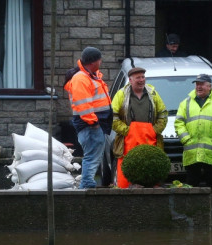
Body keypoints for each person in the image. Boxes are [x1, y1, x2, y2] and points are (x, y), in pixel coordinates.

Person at [174, 74, 212, 204]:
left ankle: (211, 209)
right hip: (192, 153)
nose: (198, 87)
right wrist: (187, 140)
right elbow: (179, 123)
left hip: (211, 153)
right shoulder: (186, 103)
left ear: (210, 86)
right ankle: (193, 210)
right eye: (197, 84)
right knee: (191, 183)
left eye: (202, 84)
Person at [111, 67, 168, 188]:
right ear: (130, 80)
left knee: (152, 175)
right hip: (127, 142)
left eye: (143, 77)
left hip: (150, 141)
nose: (141, 80)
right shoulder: (121, 95)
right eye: (138, 78)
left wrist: (154, 130)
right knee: (125, 178)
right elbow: (112, 117)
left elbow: (163, 114)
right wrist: (127, 131)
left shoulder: (153, 94)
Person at [64, 46, 113, 189]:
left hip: (93, 124)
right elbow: (83, 105)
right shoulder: (81, 78)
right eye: (100, 60)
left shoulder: (88, 76)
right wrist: (94, 123)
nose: (101, 62)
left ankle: (87, 183)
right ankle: (86, 185)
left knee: (93, 156)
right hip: (91, 125)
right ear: (93, 62)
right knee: (92, 156)